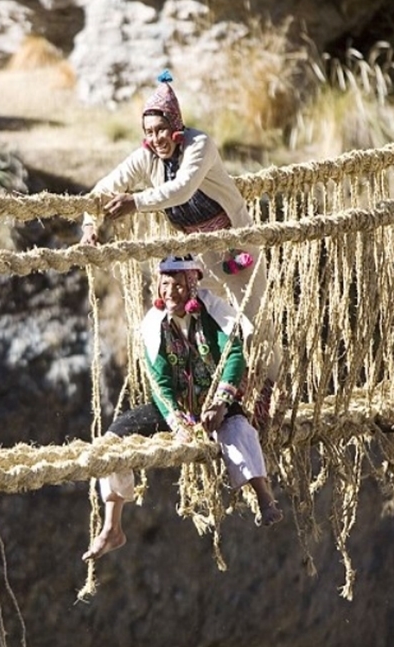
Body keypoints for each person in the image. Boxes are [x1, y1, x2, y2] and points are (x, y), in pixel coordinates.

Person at [79, 70, 281, 427]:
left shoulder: (199, 145)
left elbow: (183, 189)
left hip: (236, 245)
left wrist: (135, 202)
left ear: (176, 126)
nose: (156, 139)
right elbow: (104, 188)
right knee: (202, 319)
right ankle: (207, 396)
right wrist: (90, 224)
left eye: (161, 130)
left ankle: (265, 396)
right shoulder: (147, 158)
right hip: (199, 252)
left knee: (253, 321)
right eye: (149, 132)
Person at [83, 255, 283, 562]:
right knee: (111, 442)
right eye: (166, 285)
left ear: (192, 285)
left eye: (178, 285)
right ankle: (112, 526)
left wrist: (220, 403)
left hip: (215, 400)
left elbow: (233, 357)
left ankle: (264, 496)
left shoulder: (212, 313)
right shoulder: (154, 326)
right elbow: (159, 382)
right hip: (173, 408)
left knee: (238, 429)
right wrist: (177, 424)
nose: (171, 292)